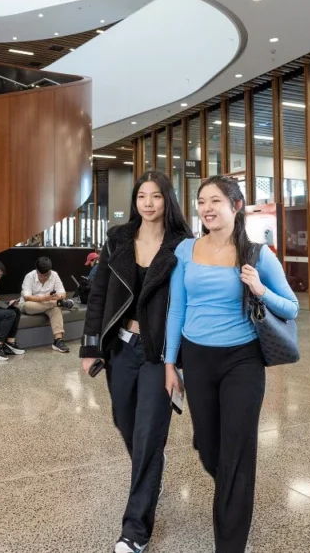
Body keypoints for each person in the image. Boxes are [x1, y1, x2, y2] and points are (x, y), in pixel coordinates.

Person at [165, 176, 298, 552]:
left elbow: (291, 307)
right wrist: (169, 364)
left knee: (237, 451)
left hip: (242, 360)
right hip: (197, 358)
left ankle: (230, 541)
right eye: (201, 201)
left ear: (236, 206)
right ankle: (233, 492)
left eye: (215, 201)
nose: (206, 208)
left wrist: (260, 289)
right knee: (210, 448)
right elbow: (177, 309)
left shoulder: (257, 253)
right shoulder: (186, 250)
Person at [80, 171, 193, 553]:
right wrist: (90, 347)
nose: (148, 203)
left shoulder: (182, 244)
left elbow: (190, 300)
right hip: (121, 348)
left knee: (147, 435)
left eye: (156, 196)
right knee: (125, 422)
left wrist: (183, 360)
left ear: (167, 200)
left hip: (159, 353)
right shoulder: (118, 239)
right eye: (142, 196)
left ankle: (135, 531)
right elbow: (98, 295)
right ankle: (151, 468)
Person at [20, 256, 71, 353]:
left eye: (46, 275)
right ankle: (58, 304)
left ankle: (58, 340)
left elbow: (63, 294)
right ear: (37, 271)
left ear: (50, 271)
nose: (44, 277)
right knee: (28, 305)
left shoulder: (54, 275)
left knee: (56, 309)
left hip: (48, 305)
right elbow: (27, 297)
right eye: (41, 275)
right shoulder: (29, 276)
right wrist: (44, 299)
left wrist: (58, 296)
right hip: (32, 305)